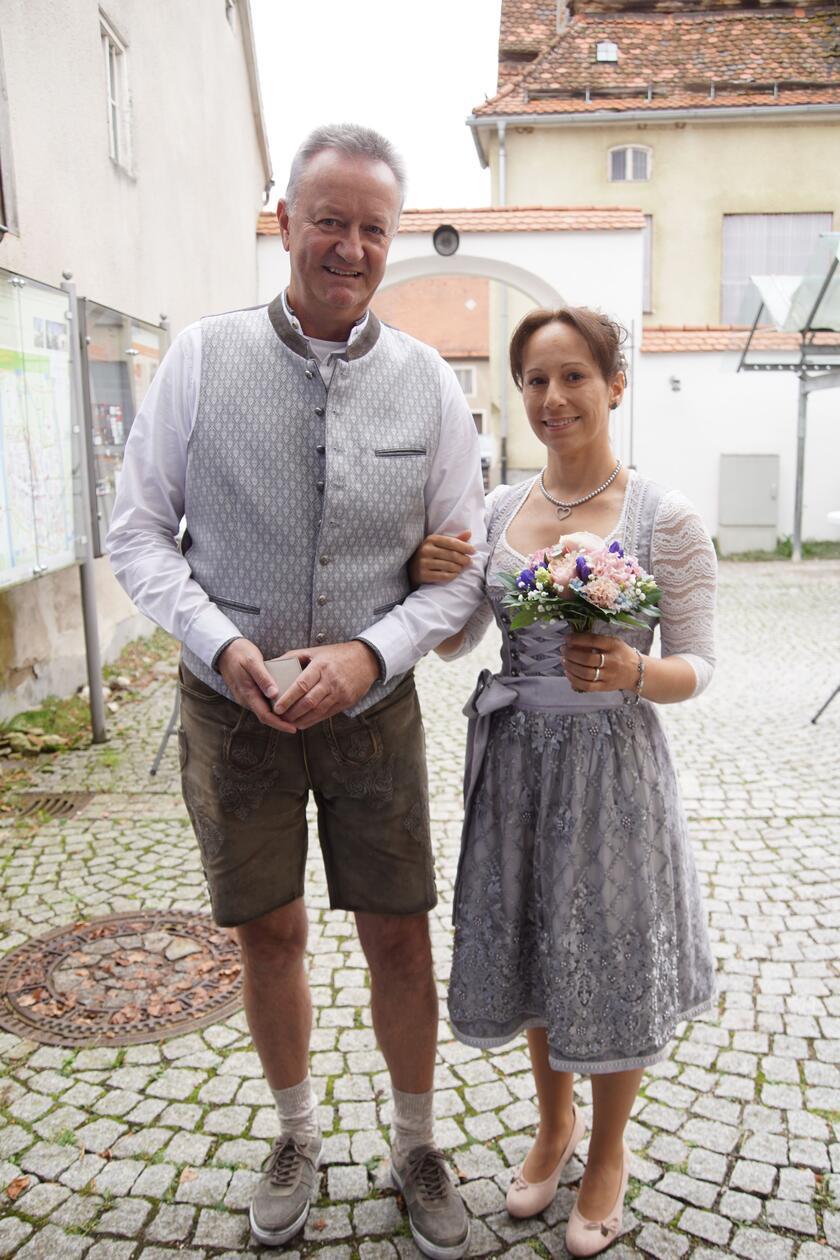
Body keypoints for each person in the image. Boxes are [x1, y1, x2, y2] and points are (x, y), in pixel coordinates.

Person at [107, 123, 487, 1258]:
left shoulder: (427, 387)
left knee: (402, 936)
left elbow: (455, 583)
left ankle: (416, 1142)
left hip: (372, 720)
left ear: (392, 241)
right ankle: (294, 1133)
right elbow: (137, 535)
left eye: (373, 227)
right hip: (234, 717)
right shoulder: (202, 360)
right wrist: (223, 644)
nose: (351, 245)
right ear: (285, 221)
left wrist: (369, 655)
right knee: (265, 934)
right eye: (330, 219)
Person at [410, 306, 717, 1257]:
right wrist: (427, 569)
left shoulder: (666, 517)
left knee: (611, 952)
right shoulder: (499, 511)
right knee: (541, 941)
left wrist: (635, 671)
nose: (554, 398)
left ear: (614, 384)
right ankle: (555, 1126)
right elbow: (458, 635)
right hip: (515, 769)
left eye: (575, 376)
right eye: (537, 380)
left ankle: (611, 1151)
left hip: (614, 771)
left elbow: (699, 666)